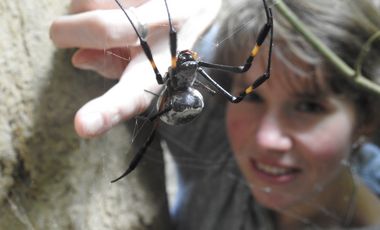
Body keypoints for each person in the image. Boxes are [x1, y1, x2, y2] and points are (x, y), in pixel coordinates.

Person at [50, 0, 380, 229]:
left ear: (367, 118)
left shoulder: (231, 133)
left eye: (309, 107)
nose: (267, 138)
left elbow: (249, 68)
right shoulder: (221, 121)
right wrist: (195, 13)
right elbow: (176, 41)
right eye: (254, 99)